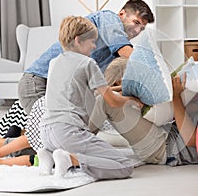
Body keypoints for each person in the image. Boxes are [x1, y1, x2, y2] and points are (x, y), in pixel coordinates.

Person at [37, 16, 143, 179]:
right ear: (79, 40)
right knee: (125, 165)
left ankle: (49, 156)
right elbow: (112, 101)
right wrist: (132, 100)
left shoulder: (54, 62)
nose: (94, 46)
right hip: (67, 132)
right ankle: (71, 160)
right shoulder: (87, 63)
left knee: (96, 155)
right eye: (92, 41)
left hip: (46, 132)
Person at [0, 57, 127, 167]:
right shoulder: (101, 91)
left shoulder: (88, 80)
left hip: (48, 110)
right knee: (40, 151)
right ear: (117, 81)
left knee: (39, 146)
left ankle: (1, 146)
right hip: (54, 116)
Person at [18, 0, 154, 114]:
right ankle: (3, 142)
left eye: (142, 28)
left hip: (60, 89)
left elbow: (103, 85)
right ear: (122, 14)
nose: (137, 31)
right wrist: (153, 69)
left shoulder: (111, 52)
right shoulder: (109, 19)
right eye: (136, 23)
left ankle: (6, 140)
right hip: (40, 81)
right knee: (53, 132)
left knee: (58, 131)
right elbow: (125, 50)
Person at [89, 72, 198, 166]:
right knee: (109, 97)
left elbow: (191, 139)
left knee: (105, 101)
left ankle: (80, 143)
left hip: (163, 147)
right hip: (164, 132)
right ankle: (81, 140)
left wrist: (176, 96)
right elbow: (192, 109)